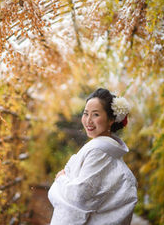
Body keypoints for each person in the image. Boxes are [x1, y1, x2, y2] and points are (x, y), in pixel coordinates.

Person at [48, 88, 137, 225]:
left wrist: (61, 180)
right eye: (85, 113)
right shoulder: (108, 151)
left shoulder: (98, 151)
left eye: (95, 115)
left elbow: (80, 196)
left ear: (111, 119)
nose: (88, 120)